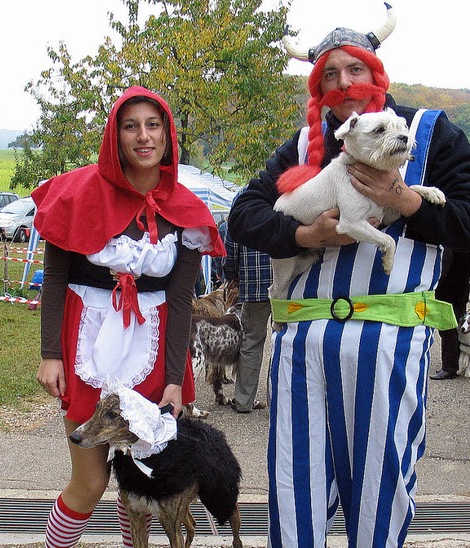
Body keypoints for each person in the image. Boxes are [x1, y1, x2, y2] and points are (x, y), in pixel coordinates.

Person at [228, 6, 470, 547]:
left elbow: (466, 219)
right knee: (296, 489)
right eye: (329, 75)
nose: (343, 84)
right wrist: (304, 237)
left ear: (376, 73)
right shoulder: (301, 147)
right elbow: (243, 215)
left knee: (380, 491)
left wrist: (405, 202)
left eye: (353, 70)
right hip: (303, 346)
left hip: (388, 343)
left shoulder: (430, 134)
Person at [31, 86, 225, 548]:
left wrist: (176, 378)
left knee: (138, 481)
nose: (144, 136)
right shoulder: (75, 194)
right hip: (88, 348)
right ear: (115, 136)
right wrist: (49, 355)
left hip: (153, 348)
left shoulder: (186, 212)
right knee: (91, 483)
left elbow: (181, 302)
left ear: (167, 135)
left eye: (153, 125)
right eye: (131, 125)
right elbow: (54, 281)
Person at [223, 224, 272, 413]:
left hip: (254, 284)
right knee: (282, 343)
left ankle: (243, 401)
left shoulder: (245, 198)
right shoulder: (289, 197)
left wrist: (231, 274)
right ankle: (278, 402)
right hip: (286, 284)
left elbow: (232, 241)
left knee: (251, 343)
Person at [430, 249, 470, 380]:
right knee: (457, 329)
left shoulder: (451, 240)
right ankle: (456, 365)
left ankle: (449, 368)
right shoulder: (463, 235)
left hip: (448, 293)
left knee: (447, 330)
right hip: (460, 291)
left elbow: (444, 269)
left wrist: (434, 286)